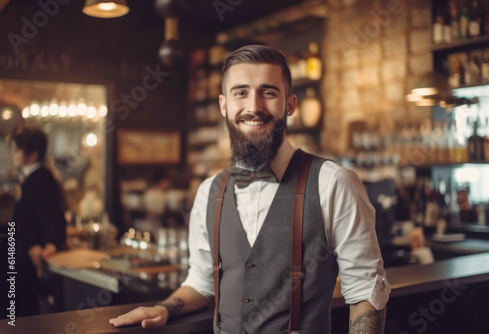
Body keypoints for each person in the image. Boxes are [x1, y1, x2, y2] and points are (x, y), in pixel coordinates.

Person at [110, 45, 390, 333]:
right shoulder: (209, 192)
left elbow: (365, 293)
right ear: (224, 105)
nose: (254, 106)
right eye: (240, 92)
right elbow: (200, 282)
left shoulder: (334, 183)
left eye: (268, 92)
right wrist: (163, 308)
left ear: (290, 105)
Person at [10, 124, 67, 317]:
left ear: (33, 154)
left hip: (30, 260)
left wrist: (49, 245)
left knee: (26, 314)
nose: (14, 154)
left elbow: (52, 217)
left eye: (17, 150)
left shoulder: (38, 179)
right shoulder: (32, 178)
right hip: (25, 256)